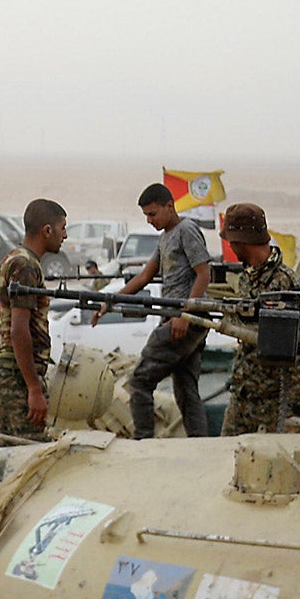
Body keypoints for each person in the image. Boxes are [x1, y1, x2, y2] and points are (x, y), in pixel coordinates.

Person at [115, 184, 212, 438]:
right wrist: (111, 300)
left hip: (185, 319)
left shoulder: (186, 230)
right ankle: (199, 444)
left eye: (153, 214)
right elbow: (146, 275)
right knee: (186, 389)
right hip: (181, 318)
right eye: (146, 215)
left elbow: (204, 274)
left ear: (170, 206)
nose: (150, 220)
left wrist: (184, 315)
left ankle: (143, 440)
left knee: (140, 381)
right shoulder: (165, 236)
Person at [219, 204, 300, 435]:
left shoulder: (286, 283)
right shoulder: (247, 278)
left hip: (274, 401)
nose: (230, 246)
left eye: (231, 241)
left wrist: (291, 409)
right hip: (243, 394)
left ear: (241, 241)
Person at [0, 199, 68, 439]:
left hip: (8, 374)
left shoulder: (14, 259)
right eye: (63, 228)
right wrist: (34, 388)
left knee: (7, 455)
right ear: (47, 230)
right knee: (27, 458)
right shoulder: (25, 266)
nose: (65, 235)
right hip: (16, 379)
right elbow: (19, 329)